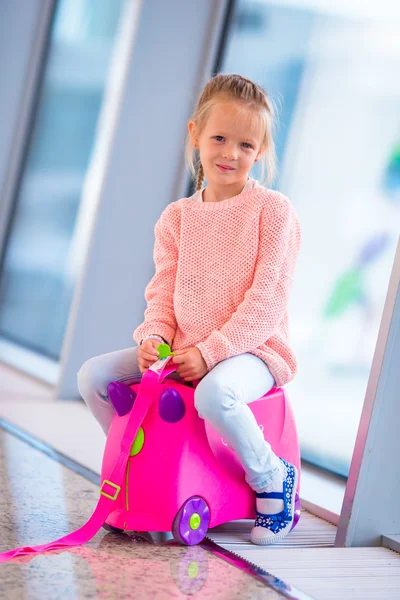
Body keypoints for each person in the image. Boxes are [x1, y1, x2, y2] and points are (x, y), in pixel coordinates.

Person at [78, 73, 302, 545]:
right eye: (219, 138)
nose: (230, 153)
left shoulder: (273, 212)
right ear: (195, 133)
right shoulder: (177, 217)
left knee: (213, 395)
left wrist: (212, 352)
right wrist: (153, 338)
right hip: (184, 350)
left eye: (245, 144)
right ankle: (139, 467)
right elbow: (161, 293)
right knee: (95, 377)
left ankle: (271, 478)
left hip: (254, 351)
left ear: (259, 150)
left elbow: (265, 304)